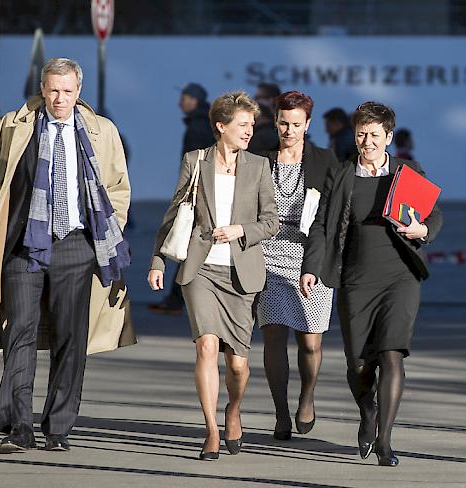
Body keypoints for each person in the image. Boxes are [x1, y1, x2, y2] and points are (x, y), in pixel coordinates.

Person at [0, 58, 133, 453]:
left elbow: (118, 188)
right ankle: (18, 427)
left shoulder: (101, 131)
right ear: (42, 88)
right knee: (19, 331)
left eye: (67, 91)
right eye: (53, 90)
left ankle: (58, 427)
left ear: (78, 92)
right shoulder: (14, 125)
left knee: (72, 337)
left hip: (76, 243)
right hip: (24, 243)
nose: (59, 99)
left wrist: (104, 235)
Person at [300, 101, 442, 466]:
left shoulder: (406, 171)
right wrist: (311, 266)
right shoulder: (342, 173)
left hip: (400, 274)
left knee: (392, 353)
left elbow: (433, 213)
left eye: (375, 135)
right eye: (361, 134)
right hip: (355, 278)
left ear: (388, 137)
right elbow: (320, 225)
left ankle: (385, 440)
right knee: (359, 364)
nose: (367, 141)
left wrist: (422, 230)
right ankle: (368, 412)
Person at [148, 91, 279, 461]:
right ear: (221, 126)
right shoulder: (196, 160)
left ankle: (233, 410)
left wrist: (241, 230)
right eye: (242, 125)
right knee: (206, 344)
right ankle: (210, 430)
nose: (249, 132)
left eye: (252, 125)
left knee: (237, 363)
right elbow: (175, 214)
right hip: (200, 268)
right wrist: (158, 260)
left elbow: (270, 221)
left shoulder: (258, 166)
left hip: (241, 273)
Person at [256, 91, 339, 440]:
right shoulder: (259, 158)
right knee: (273, 335)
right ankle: (279, 412)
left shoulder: (324, 160)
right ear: (275, 121)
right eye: (283, 123)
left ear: (307, 125)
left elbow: (335, 213)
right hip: (268, 254)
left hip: (311, 253)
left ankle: (307, 397)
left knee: (310, 342)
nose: (289, 130)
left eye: (296, 124)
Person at [149, 82, 215, 314]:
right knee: (189, 243)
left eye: (185, 98)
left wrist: (187, 192)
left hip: (197, 194)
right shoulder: (203, 123)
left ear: (195, 100)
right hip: (203, 192)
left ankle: (177, 297)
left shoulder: (197, 127)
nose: (181, 102)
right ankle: (177, 297)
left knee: (185, 241)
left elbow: (196, 164)